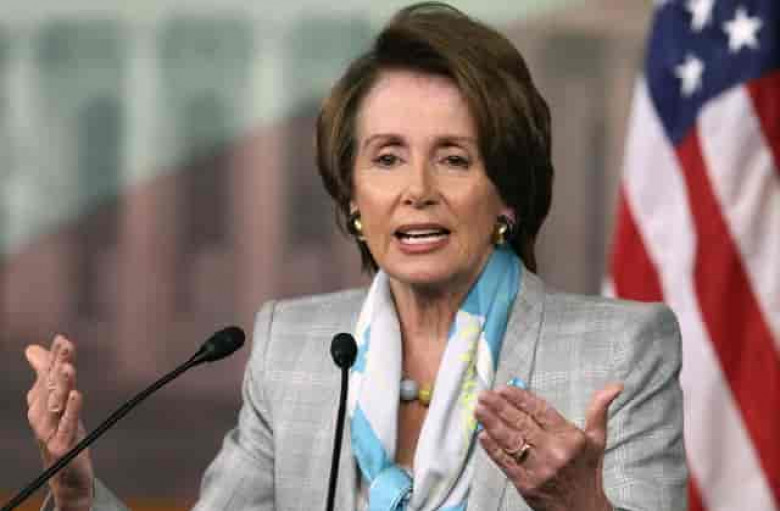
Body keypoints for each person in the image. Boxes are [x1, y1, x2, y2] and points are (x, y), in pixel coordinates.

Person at [24, 3, 688, 510]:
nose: (417, 191)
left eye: (454, 159)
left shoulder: (620, 351)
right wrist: (78, 493)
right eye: (387, 158)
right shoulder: (294, 345)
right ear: (352, 197)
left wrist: (582, 506)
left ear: (507, 197)